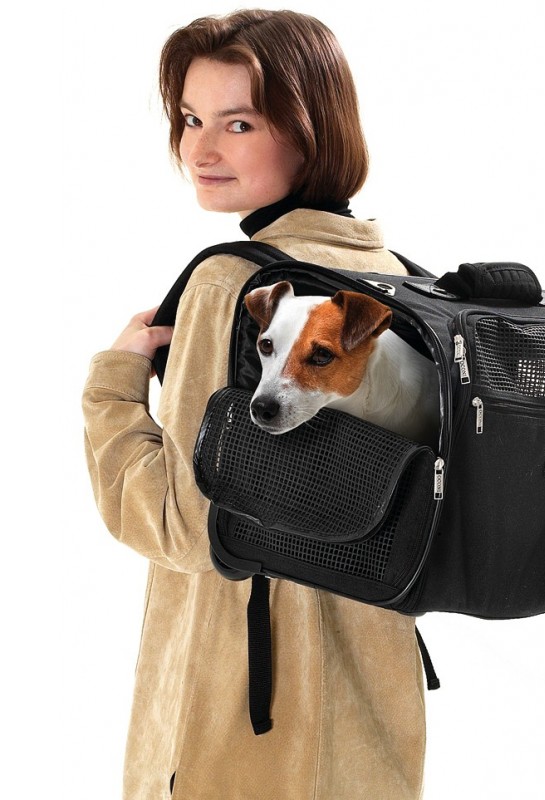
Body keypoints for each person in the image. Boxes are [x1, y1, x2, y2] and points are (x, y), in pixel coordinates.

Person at [82, 10, 426, 800]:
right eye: (190, 119)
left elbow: (178, 525)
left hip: (243, 713)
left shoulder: (232, 283)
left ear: (310, 131)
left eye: (238, 124)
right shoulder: (392, 276)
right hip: (376, 705)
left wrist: (113, 384)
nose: (199, 151)